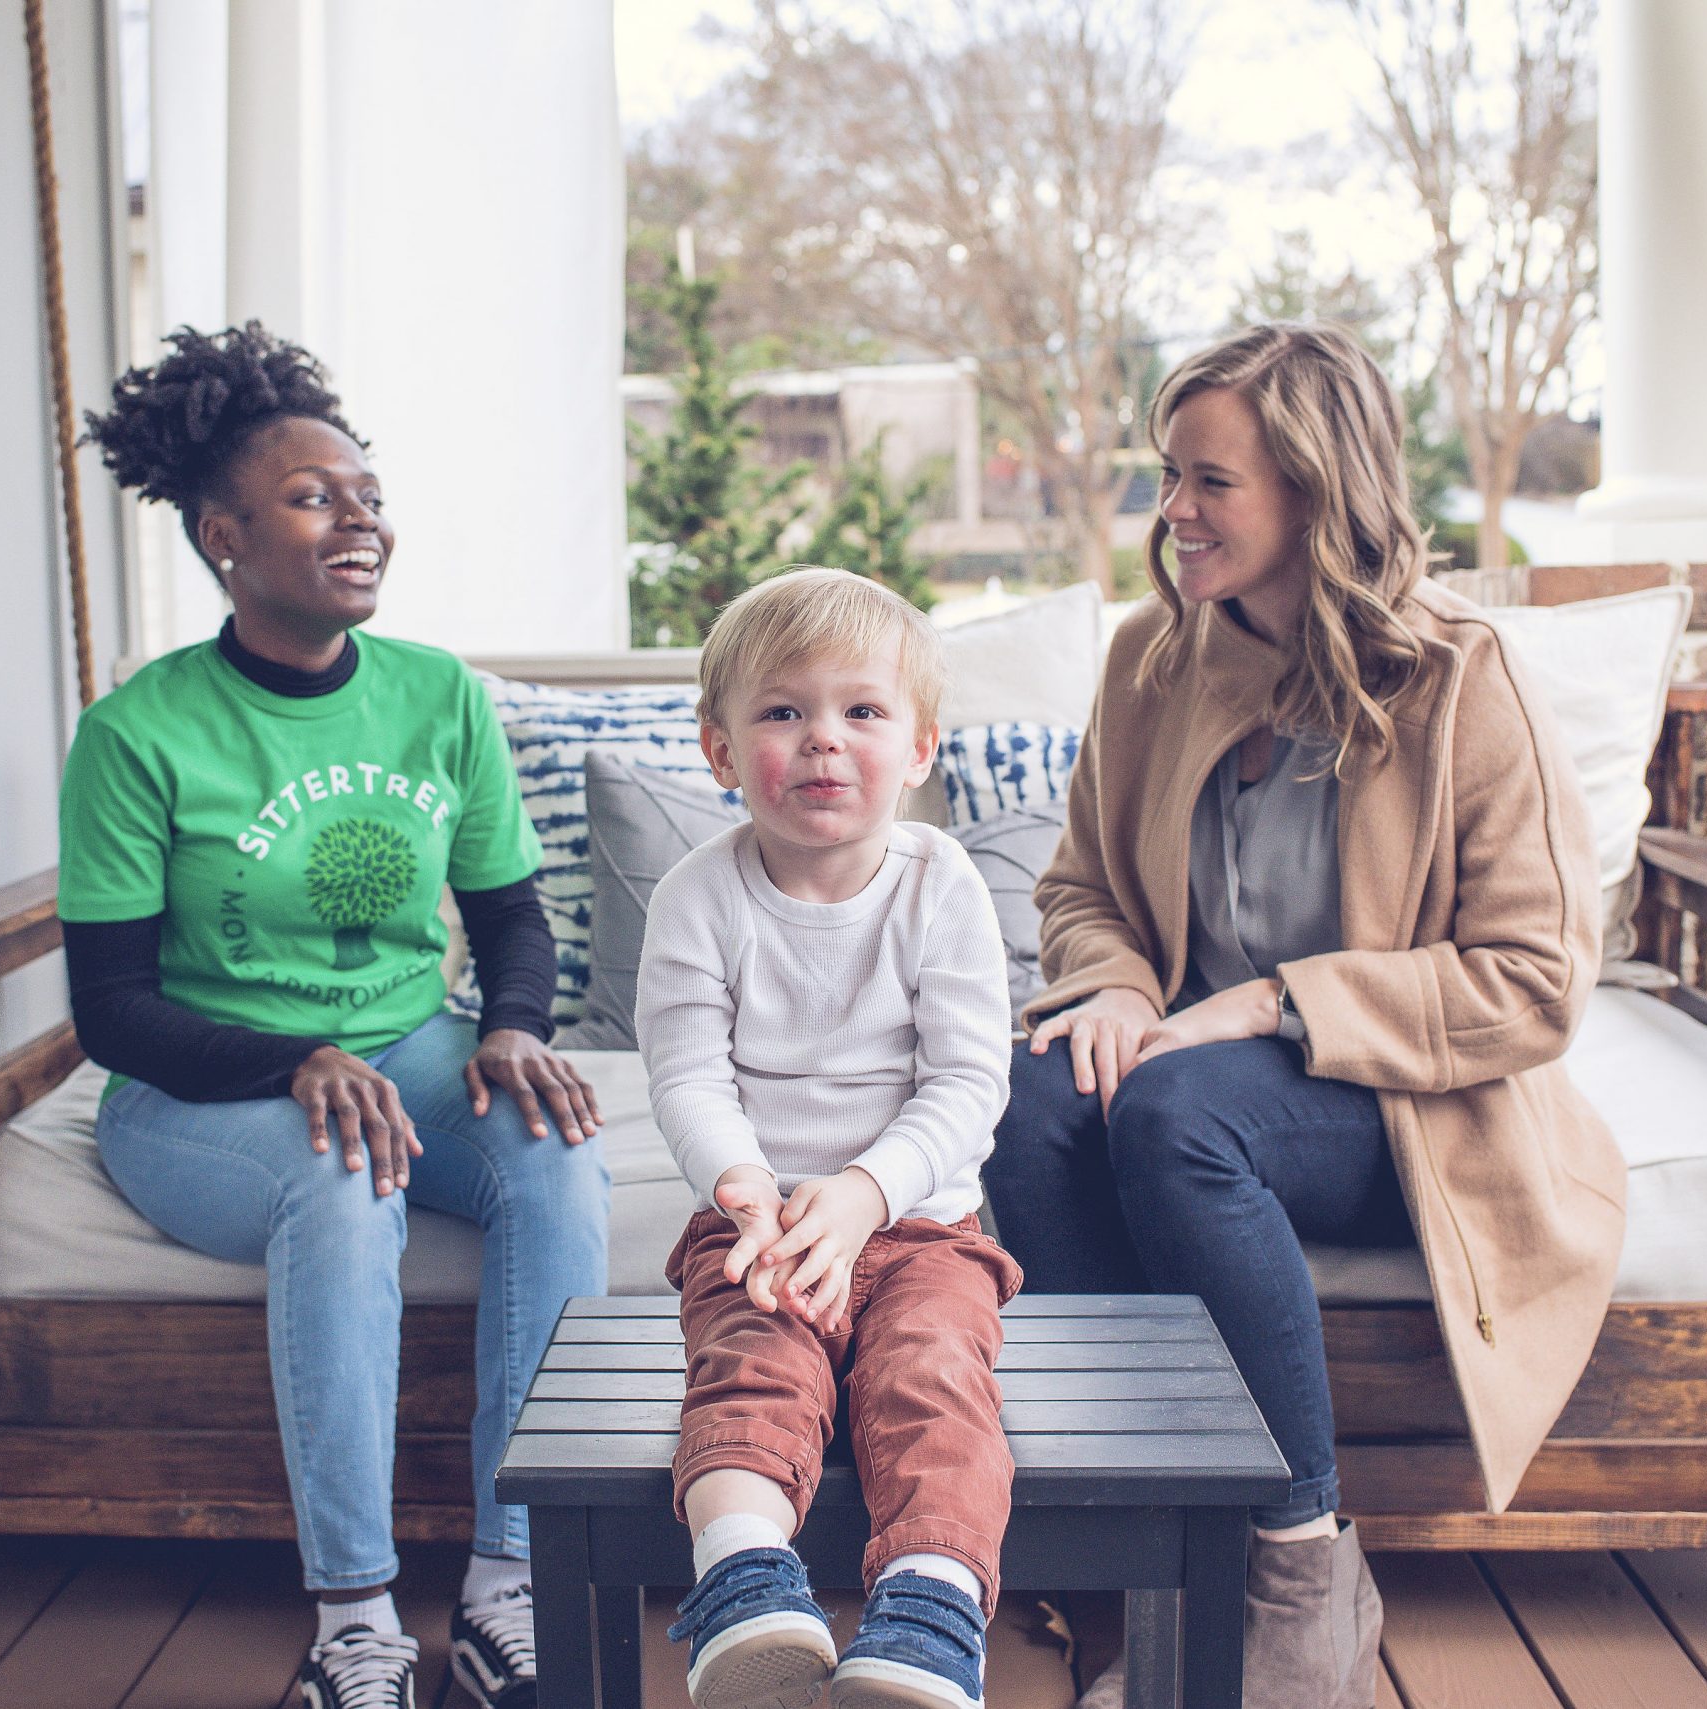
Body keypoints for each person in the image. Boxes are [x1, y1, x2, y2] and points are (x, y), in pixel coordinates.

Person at [984, 323, 1623, 1709]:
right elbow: (1081, 882)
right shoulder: (1154, 656)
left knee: (1169, 1111)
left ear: (1316, 492)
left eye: (1211, 481)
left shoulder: (1461, 679)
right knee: (1032, 1098)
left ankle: (1300, 1560)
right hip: (1188, 1075)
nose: (1175, 513)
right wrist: (1114, 985)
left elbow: (1532, 979)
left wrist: (1272, 1002)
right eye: (1169, 476)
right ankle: (1121, 1571)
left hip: (1412, 1112)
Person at [65, 324, 610, 1709]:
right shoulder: (140, 734)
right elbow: (112, 1012)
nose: (359, 518)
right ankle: (356, 1623)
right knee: (343, 1176)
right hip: (203, 1088)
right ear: (225, 534)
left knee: (554, 1157)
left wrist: (512, 1028)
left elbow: (507, 916)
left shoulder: (438, 694)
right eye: (317, 497)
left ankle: (508, 1582)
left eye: (368, 495)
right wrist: (295, 1057)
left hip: (410, 1049)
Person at [635, 569, 1019, 1709]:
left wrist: (862, 1195)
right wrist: (746, 1189)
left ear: (919, 750)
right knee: (750, 1365)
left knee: (933, 1377)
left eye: (861, 711)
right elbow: (689, 1071)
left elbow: (965, 1080)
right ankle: (746, 1584)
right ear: (718, 749)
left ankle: (930, 1606)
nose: (821, 741)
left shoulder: (940, 883)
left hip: (920, 1229)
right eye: (781, 710)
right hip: (759, 1222)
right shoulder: (698, 896)